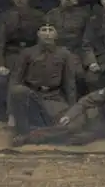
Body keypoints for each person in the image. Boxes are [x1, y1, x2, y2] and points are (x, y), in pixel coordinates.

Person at [7, 18, 77, 146]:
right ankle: (25, 132)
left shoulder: (65, 54)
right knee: (18, 90)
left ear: (56, 35)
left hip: (54, 98)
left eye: (51, 30)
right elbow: (15, 80)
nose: (47, 33)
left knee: (70, 126)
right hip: (32, 97)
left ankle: (30, 136)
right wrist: (11, 112)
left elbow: (70, 83)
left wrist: (72, 111)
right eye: (44, 30)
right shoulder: (27, 52)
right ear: (38, 34)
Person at [0, 0, 45, 112]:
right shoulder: (4, 16)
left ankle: (30, 111)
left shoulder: (39, 16)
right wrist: (0, 65)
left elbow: (42, 39)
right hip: (11, 54)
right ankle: (10, 111)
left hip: (33, 54)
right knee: (2, 80)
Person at [46, 0, 91, 93]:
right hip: (55, 52)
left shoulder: (84, 15)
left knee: (79, 75)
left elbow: (87, 38)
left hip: (76, 52)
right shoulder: (51, 15)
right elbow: (46, 37)